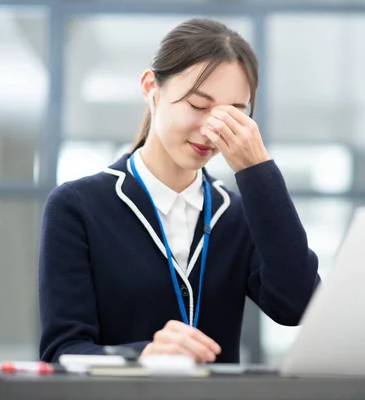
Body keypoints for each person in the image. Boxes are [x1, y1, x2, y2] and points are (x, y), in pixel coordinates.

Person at [38, 18, 321, 365]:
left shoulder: (239, 213)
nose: (210, 130)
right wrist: (142, 356)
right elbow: (61, 351)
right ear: (150, 89)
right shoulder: (78, 207)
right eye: (198, 106)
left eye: (234, 114)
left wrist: (258, 172)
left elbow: (298, 304)